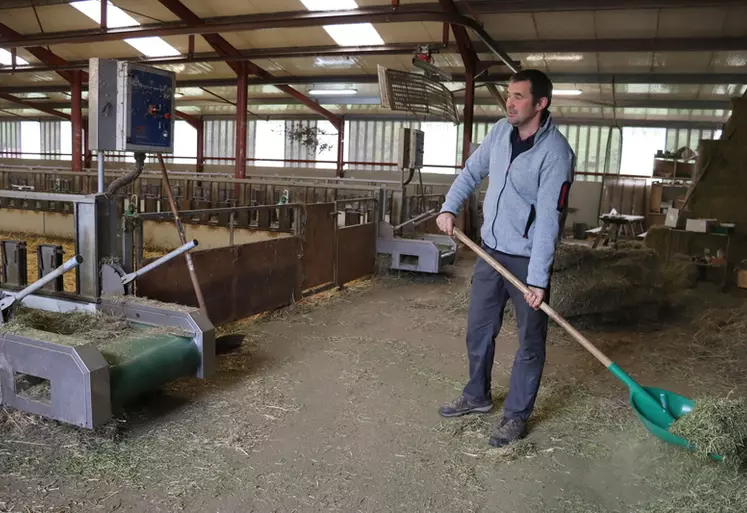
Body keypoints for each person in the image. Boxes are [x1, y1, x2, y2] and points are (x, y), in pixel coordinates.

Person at [436, 69, 575, 447]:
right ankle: (477, 395)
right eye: (508, 95)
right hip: (489, 251)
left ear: (540, 103)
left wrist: (538, 279)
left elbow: (549, 219)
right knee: (479, 328)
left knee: (530, 341)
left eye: (518, 96)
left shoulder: (556, 154)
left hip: (526, 259)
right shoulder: (499, 132)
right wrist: (450, 207)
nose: (509, 102)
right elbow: (471, 172)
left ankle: (516, 415)